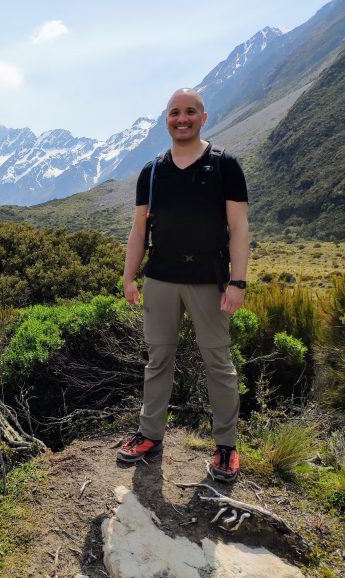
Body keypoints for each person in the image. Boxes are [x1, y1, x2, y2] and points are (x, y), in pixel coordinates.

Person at [118, 88, 249, 482]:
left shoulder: (225, 166)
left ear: (203, 118)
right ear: (167, 119)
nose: (182, 118)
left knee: (218, 363)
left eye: (190, 112)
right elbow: (139, 228)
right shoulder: (153, 171)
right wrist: (129, 275)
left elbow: (240, 227)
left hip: (209, 280)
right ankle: (149, 436)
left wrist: (238, 280)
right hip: (159, 279)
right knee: (158, 360)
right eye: (175, 112)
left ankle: (225, 447)